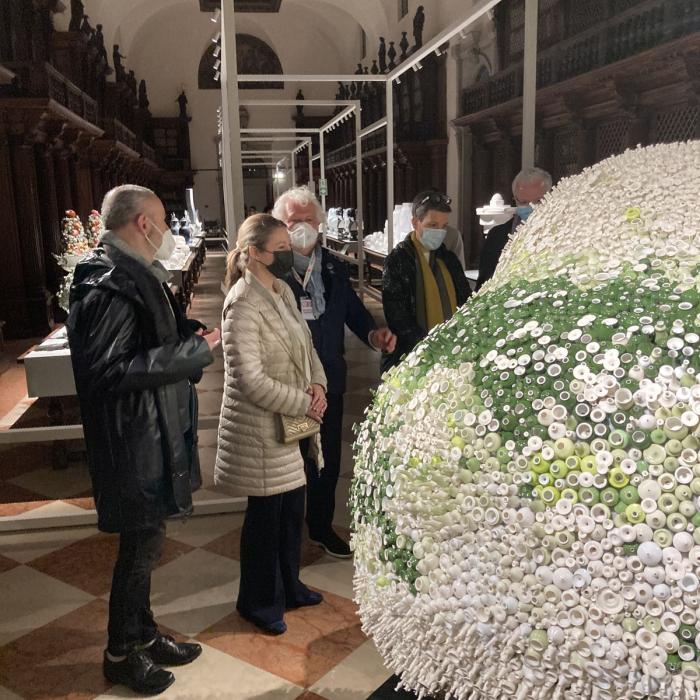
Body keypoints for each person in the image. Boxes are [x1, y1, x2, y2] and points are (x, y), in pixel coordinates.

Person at [66, 185, 219, 695]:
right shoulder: (107, 281)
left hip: (149, 430)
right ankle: (119, 652)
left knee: (149, 541)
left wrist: (184, 333)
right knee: (138, 548)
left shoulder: (131, 270)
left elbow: (143, 342)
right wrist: (191, 353)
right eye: (162, 221)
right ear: (140, 224)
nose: (169, 232)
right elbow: (107, 371)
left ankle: (144, 633)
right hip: (131, 438)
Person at [215, 214, 328, 635]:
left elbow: (306, 345)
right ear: (255, 253)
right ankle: (259, 601)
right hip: (261, 430)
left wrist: (318, 383)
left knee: (290, 511)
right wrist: (305, 402)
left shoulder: (281, 290)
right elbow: (250, 379)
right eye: (280, 248)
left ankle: (290, 585)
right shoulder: (242, 303)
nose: (289, 254)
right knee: (265, 517)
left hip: (294, 421)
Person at [273, 187, 396, 558]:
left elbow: (353, 311)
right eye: (294, 222)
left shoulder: (332, 266)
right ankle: (289, 533)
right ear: (281, 224)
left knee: (326, 459)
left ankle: (322, 526)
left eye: (309, 221)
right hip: (293, 386)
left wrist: (374, 334)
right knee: (294, 460)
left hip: (329, 381)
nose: (302, 228)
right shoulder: (272, 270)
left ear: (321, 223)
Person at [381, 190, 471, 372]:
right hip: (411, 356)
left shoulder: (448, 259)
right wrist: (430, 347)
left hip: (452, 352)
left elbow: (465, 301)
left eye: (443, 226)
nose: (439, 232)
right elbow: (397, 315)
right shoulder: (398, 260)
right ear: (415, 222)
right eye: (432, 225)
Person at [476, 167, 552, 291]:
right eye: (524, 202)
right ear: (515, 199)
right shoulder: (497, 236)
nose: (531, 207)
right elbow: (484, 285)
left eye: (538, 201)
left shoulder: (567, 233)